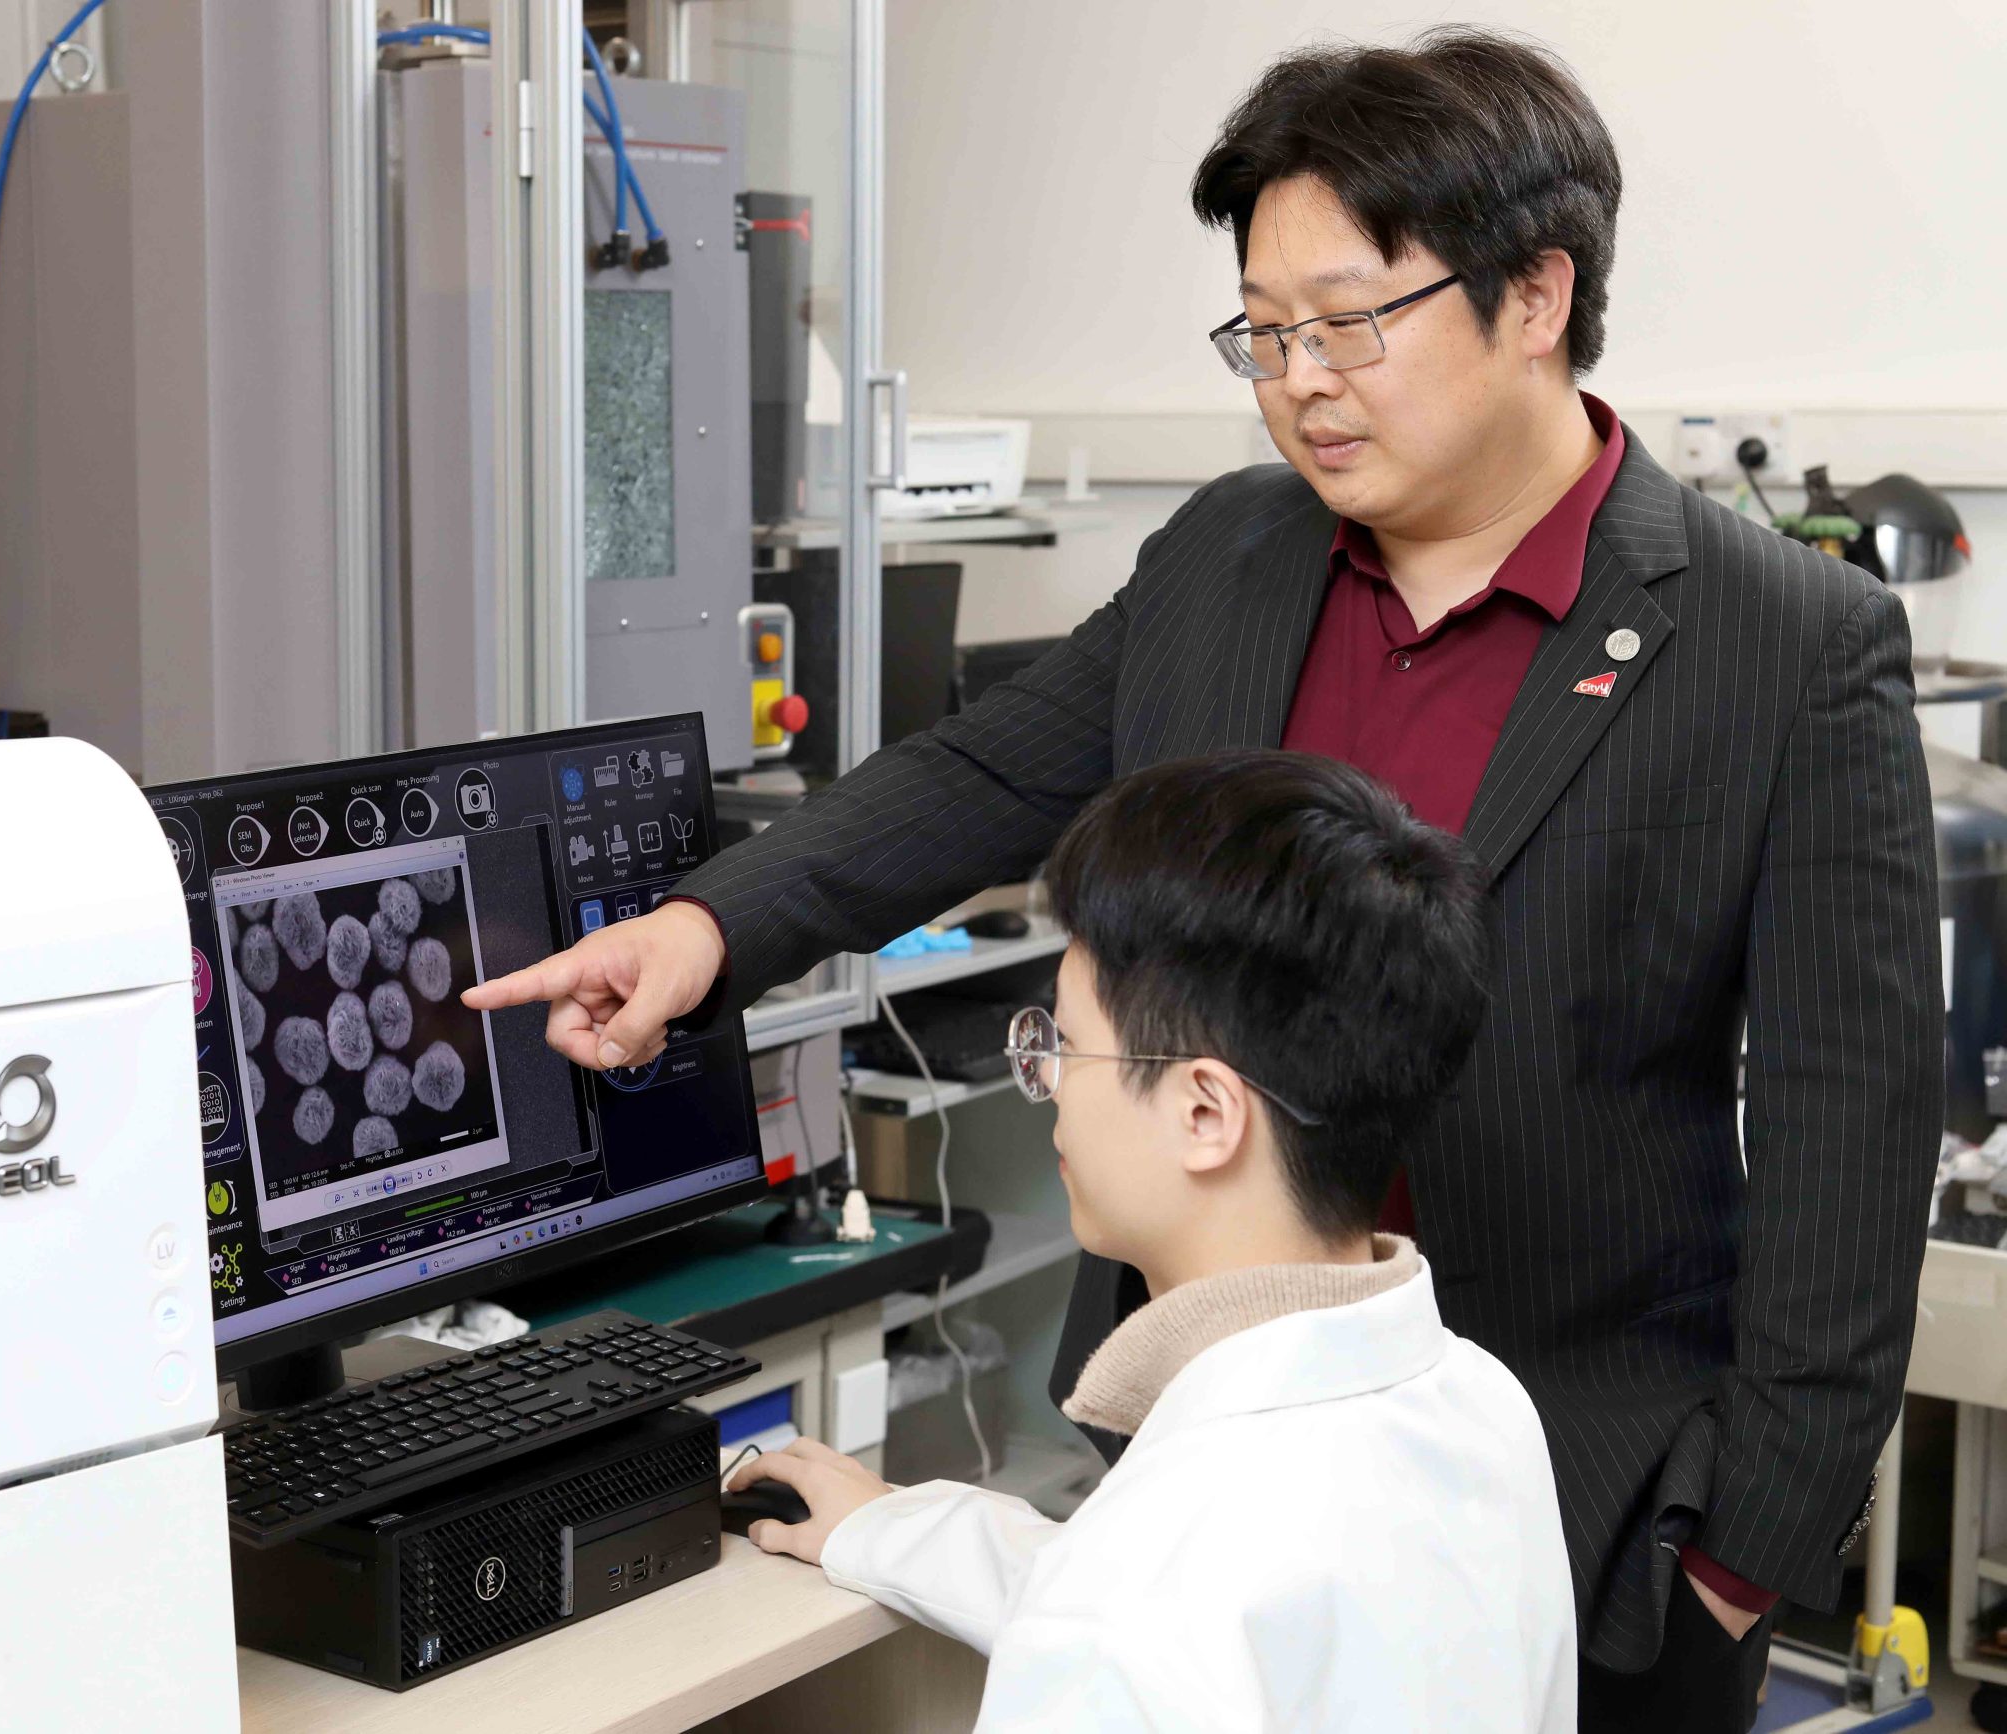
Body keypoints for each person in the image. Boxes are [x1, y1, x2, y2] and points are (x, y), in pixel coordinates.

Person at [467, 27, 1941, 1731]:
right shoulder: (1228, 559)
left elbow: (1852, 1126)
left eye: (1350, 322)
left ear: (1536, 295)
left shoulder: (1785, 644)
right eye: (1264, 330)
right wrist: (706, 923)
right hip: (1214, 1461)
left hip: (1587, 1503)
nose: (1301, 380)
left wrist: (1744, 1551)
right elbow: (984, 774)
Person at [722, 753, 1577, 1730]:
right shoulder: (1483, 1407)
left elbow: (1135, 1617)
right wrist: (895, 1529)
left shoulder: (1139, 1589)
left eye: (1063, 1046)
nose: (1048, 1088)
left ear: (1205, 1112)